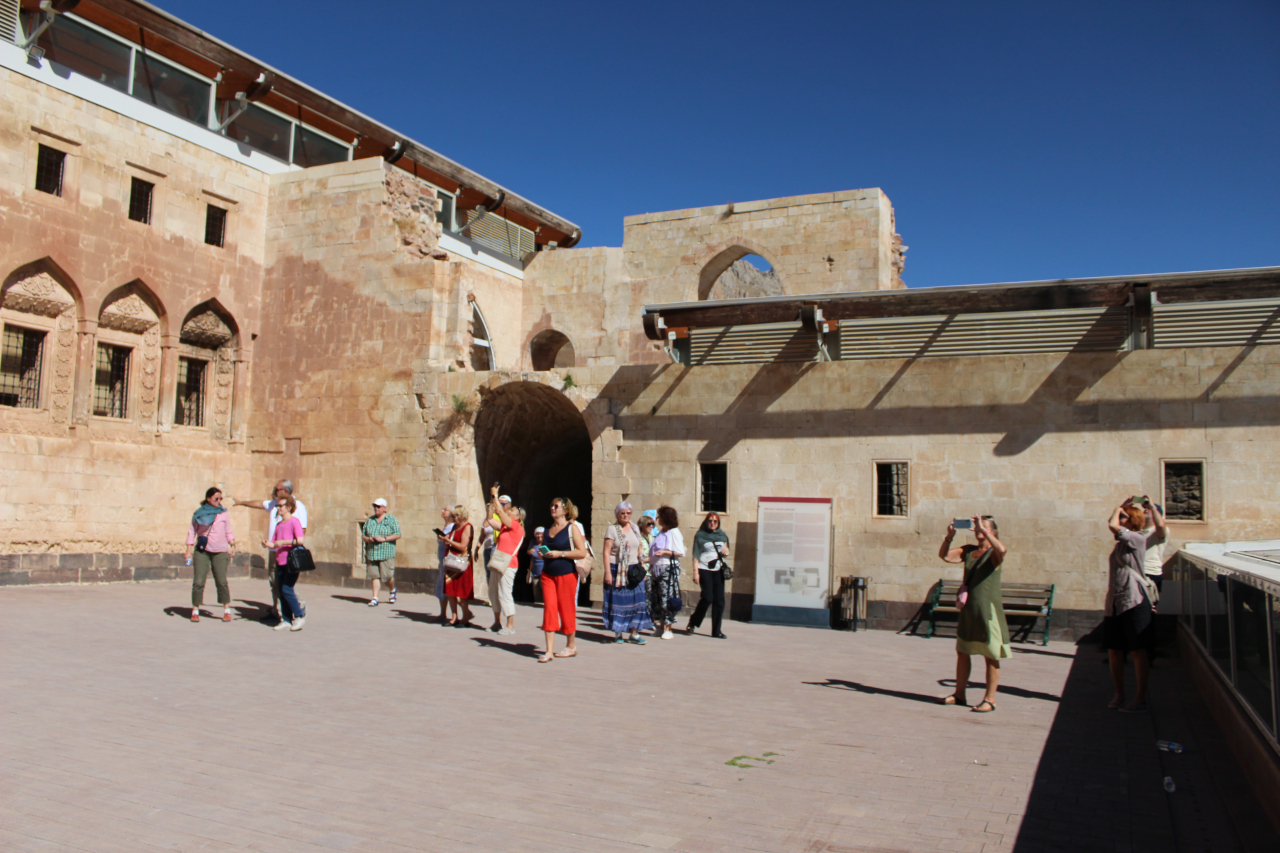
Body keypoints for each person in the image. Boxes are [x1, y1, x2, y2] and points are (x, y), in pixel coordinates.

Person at [938, 515, 1009, 713]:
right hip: (969, 610)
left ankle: (990, 699)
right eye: (977, 525)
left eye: (984, 526)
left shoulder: (994, 553)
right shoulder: (970, 550)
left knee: (991, 654)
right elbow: (945, 556)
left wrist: (984, 530)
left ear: (992, 532)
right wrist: (949, 536)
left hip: (987, 610)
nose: (978, 528)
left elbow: (1002, 550)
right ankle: (960, 694)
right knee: (963, 651)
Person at [1105, 499, 1164, 712]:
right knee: (1115, 650)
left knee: (1138, 650)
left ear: (1131, 522)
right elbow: (1113, 525)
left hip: (1134, 600)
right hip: (1115, 602)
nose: (1118, 520)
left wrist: (1116, 509)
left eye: (1124, 517)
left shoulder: (1138, 538)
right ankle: (1120, 694)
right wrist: (1122, 506)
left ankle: (1139, 697)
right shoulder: (1122, 542)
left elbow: (1112, 524)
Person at [231, 480, 307, 622]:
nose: (273, 491)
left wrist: (293, 547)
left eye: (276, 489)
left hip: (289, 553)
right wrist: (241, 502)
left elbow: (302, 531)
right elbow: (260, 503)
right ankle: (277, 611)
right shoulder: (275, 504)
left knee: (287, 584)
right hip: (275, 551)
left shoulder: (299, 507)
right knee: (274, 581)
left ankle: (299, 608)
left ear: (284, 491)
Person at [538, 497, 586, 663]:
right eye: (551, 505)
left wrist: (561, 553)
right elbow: (546, 549)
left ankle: (571, 645)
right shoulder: (546, 530)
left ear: (565, 510)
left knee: (566, 610)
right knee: (549, 610)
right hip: (548, 574)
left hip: (567, 575)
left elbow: (582, 552)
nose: (552, 508)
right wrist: (542, 553)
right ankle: (549, 651)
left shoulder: (572, 529)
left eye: (556, 506)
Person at [602, 501, 653, 644]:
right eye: (622, 513)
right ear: (617, 514)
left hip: (634, 570)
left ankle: (634, 634)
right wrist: (607, 573)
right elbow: (606, 552)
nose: (625, 515)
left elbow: (639, 549)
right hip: (617, 569)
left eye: (628, 513)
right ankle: (618, 633)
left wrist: (642, 566)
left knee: (638, 601)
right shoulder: (612, 529)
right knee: (619, 601)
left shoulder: (635, 528)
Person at [184, 487, 235, 623]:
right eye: (215, 499)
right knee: (198, 582)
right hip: (202, 551)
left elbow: (228, 530)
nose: (218, 501)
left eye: (220, 499)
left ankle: (226, 610)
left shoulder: (223, 513)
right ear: (208, 499)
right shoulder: (199, 514)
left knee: (221, 581)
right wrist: (188, 551)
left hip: (220, 552)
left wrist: (232, 545)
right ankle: (195, 610)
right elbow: (191, 532)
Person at [262, 496, 306, 631]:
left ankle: (299, 616)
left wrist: (284, 542)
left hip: (292, 561)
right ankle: (286, 619)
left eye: (280, 505)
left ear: (288, 507)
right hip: (280, 561)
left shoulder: (294, 522)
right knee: (281, 590)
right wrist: (266, 544)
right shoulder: (279, 525)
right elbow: (274, 543)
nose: (278, 508)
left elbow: (300, 540)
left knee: (287, 589)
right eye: (277, 506)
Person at [485, 487, 524, 635]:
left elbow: (500, 513)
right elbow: (490, 519)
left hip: (508, 564)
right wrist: (491, 502)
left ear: (518, 517)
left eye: (512, 511)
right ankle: (497, 622)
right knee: (493, 592)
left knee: (505, 593)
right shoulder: (503, 527)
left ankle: (510, 625)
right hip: (498, 562)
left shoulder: (516, 527)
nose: (508, 511)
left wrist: (495, 495)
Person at [686, 512, 731, 639]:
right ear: (706, 522)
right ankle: (693, 622)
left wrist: (726, 551)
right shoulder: (700, 535)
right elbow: (696, 555)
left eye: (715, 521)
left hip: (718, 570)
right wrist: (695, 572)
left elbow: (726, 550)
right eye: (710, 521)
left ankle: (716, 630)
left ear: (718, 523)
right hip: (704, 568)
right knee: (707, 597)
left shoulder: (722, 535)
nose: (712, 523)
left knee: (720, 600)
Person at [647, 505, 685, 639]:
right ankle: (661, 626)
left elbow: (680, 552)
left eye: (659, 517)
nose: (657, 520)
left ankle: (668, 628)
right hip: (657, 569)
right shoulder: (661, 532)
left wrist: (664, 552)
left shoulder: (674, 532)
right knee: (657, 598)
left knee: (667, 599)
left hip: (668, 569)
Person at [436, 504, 475, 626]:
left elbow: (463, 546)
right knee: (450, 590)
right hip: (451, 562)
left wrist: (449, 542)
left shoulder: (467, 527)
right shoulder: (454, 527)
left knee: (462, 591)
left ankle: (465, 619)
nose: (453, 519)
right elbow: (450, 540)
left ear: (461, 516)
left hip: (462, 563)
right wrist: (444, 539)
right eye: (452, 516)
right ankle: (454, 617)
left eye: (454, 516)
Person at [362, 498, 401, 606]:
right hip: (372, 552)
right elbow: (363, 535)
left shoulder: (391, 519)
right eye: (375, 506)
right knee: (374, 576)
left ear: (384, 508)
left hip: (386, 553)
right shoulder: (370, 520)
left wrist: (384, 539)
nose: (376, 508)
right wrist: (368, 539)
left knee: (387, 577)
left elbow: (398, 534)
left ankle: (392, 589)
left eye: (378, 506)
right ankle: (375, 598)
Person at [1139, 499, 1169, 594]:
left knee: (1149, 605)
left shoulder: (1160, 531)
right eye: (1145, 509)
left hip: (1151, 572)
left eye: (1149, 509)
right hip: (1137, 572)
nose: (1146, 510)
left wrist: (1152, 506)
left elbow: (1160, 525)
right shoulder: (1137, 531)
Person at [434, 506, 454, 621]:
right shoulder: (446, 527)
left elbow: (452, 543)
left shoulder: (452, 527)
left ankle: (456, 614)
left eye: (445, 510)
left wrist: (444, 539)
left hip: (448, 560)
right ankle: (443, 613)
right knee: (441, 586)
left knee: (448, 586)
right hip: (442, 559)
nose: (442, 511)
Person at [526, 526, 546, 603]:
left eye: (541, 534)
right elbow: (528, 553)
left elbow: (548, 556)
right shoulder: (533, 543)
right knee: (537, 595)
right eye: (537, 534)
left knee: (545, 593)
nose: (539, 536)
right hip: (535, 572)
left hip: (544, 573)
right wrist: (529, 552)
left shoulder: (546, 544)